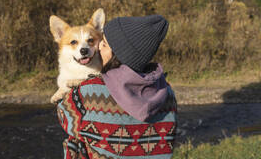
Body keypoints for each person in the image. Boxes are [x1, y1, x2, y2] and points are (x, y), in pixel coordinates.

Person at [57, 15, 177, 158]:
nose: (99, 46)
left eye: (105, 44)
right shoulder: (167, 92)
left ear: (120, 54)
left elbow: (65, 118)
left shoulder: (89, 92)